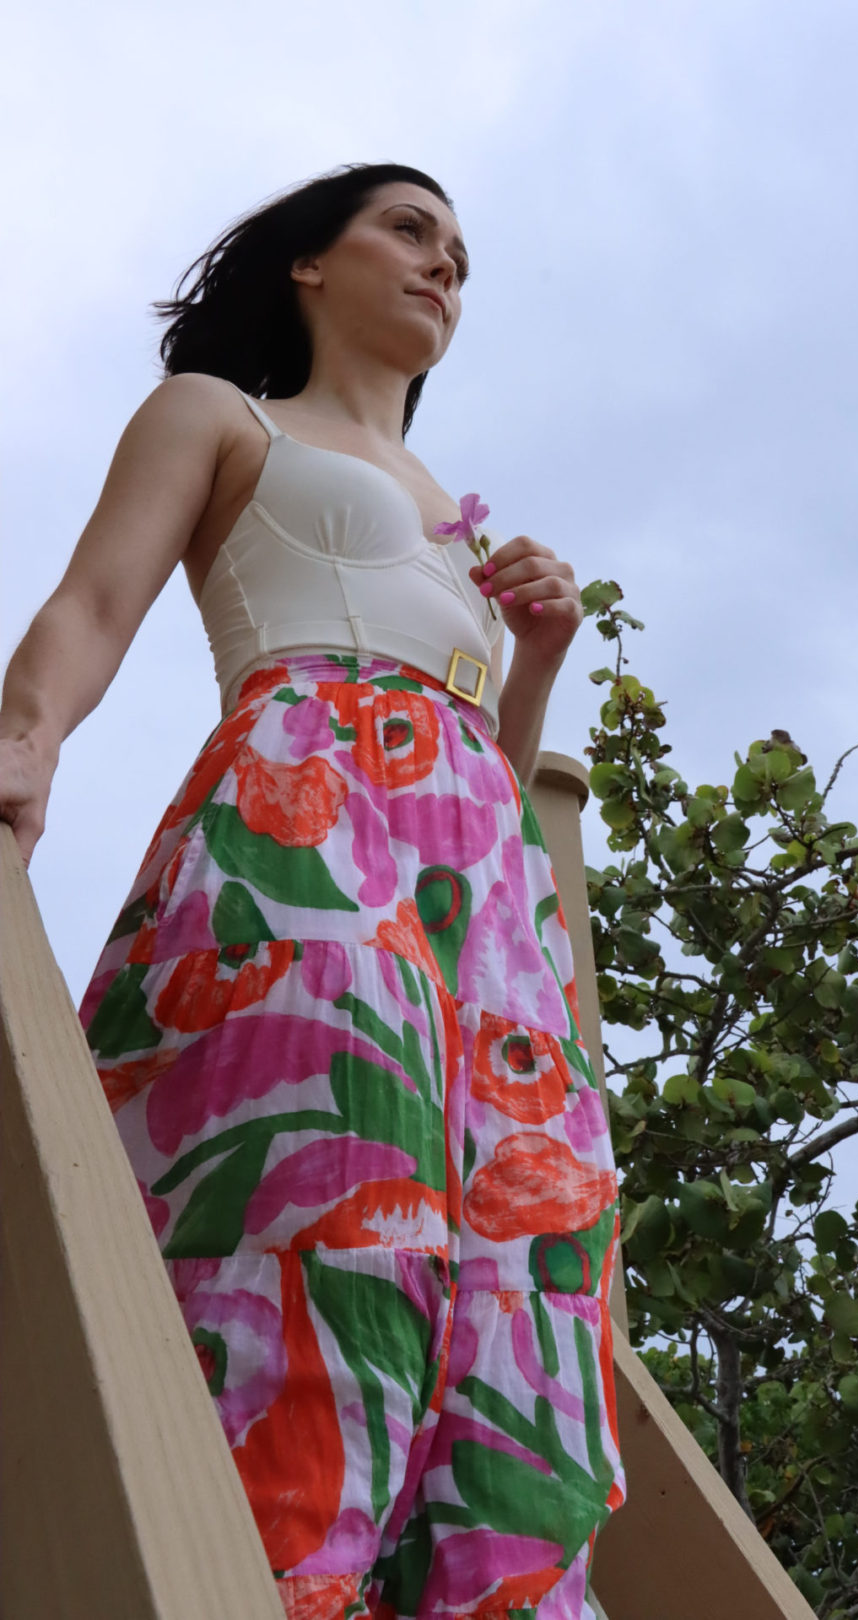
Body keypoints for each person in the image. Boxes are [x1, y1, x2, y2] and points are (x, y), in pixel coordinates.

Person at [0, 161, 625, 1620]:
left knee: (515, 1273)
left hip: (483, 925)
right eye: (408, 231)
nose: (442, 267)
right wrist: (27, 738)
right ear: (305, 264)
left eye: (461, 254)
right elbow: (96, 602)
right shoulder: (225, 416)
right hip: (312, 836)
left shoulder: (460, 519)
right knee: (329, 1199)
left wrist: (531, 653)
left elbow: (486, 770)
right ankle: (267, 1571)